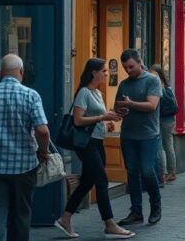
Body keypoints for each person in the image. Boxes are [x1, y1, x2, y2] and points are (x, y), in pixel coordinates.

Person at [0, 54, 50, 241]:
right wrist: (43, 150)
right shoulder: (31, 95)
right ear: (21, 72)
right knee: (21, 214)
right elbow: (43, 131)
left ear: (0, 72)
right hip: (24, 166)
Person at [54, 59, 134, 239]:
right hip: (86, 143)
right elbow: (78, 120)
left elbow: (98, 116)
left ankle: (65, 218)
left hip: (98, 141)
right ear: (93, 73)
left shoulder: (97, 93)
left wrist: (110, 119)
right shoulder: (84, 92)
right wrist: (102, 116)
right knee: (102, 181)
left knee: (87, 182)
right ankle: (110, 224)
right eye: (104, 71)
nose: (106, 74)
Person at [113, 50, 163, 226]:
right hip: (128, 135)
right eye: (125, 67)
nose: (128, 70)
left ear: (140, 62)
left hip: (148, 135)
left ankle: (156, 206)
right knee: (132, 172)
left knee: (147, 171)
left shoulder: (152, 80)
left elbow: (152, 105)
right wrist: (121, 110)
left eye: (131, 66)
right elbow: (117, 108)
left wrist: (130, 104)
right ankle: (136, 211)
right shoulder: (124, 84)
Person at [150, 64, 177, 184]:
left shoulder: (156, 86)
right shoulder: (168, 87)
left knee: (160, 147)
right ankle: (172, 172)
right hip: (170, 119)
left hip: (160, 119)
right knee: (169, 145)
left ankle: (162, 174)